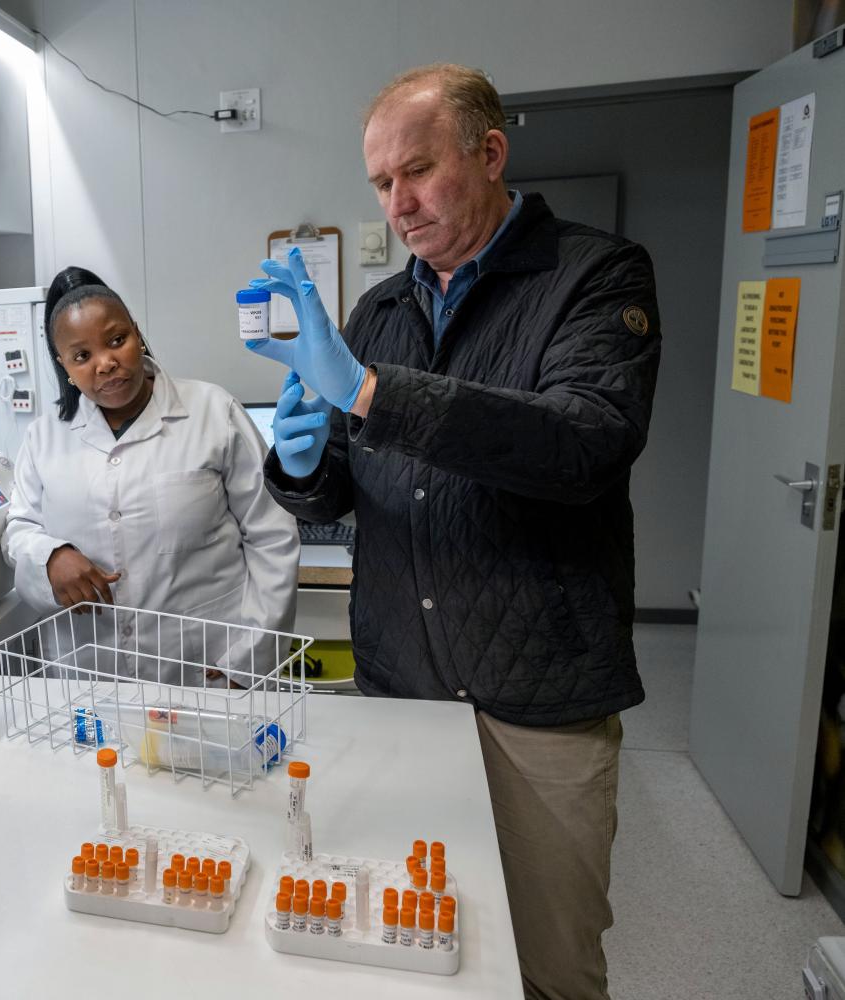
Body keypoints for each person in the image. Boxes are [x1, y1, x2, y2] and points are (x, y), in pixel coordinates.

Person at [247, 65, 661, 1000]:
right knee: (415, 950)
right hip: (404, 688)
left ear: (490, 152)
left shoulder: (594, 277)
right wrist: (302, 464)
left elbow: (583, 445)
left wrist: (367, 392)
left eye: (420, 171)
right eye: (382, 184)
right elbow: (339, 497)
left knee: (553, 963)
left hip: (538, 697)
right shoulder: (380, 313)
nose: (399, 203)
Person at [2, 267, 299, 685]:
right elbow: (18, 528)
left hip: (209, 670)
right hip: (90, 674)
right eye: (82, 356)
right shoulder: (43, 437)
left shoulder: (214, 412)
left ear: (137, 335)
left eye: (116, 340)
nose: (105, 364)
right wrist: (50, 557)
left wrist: (248, 659)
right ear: (65, 366)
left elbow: (272, 534)